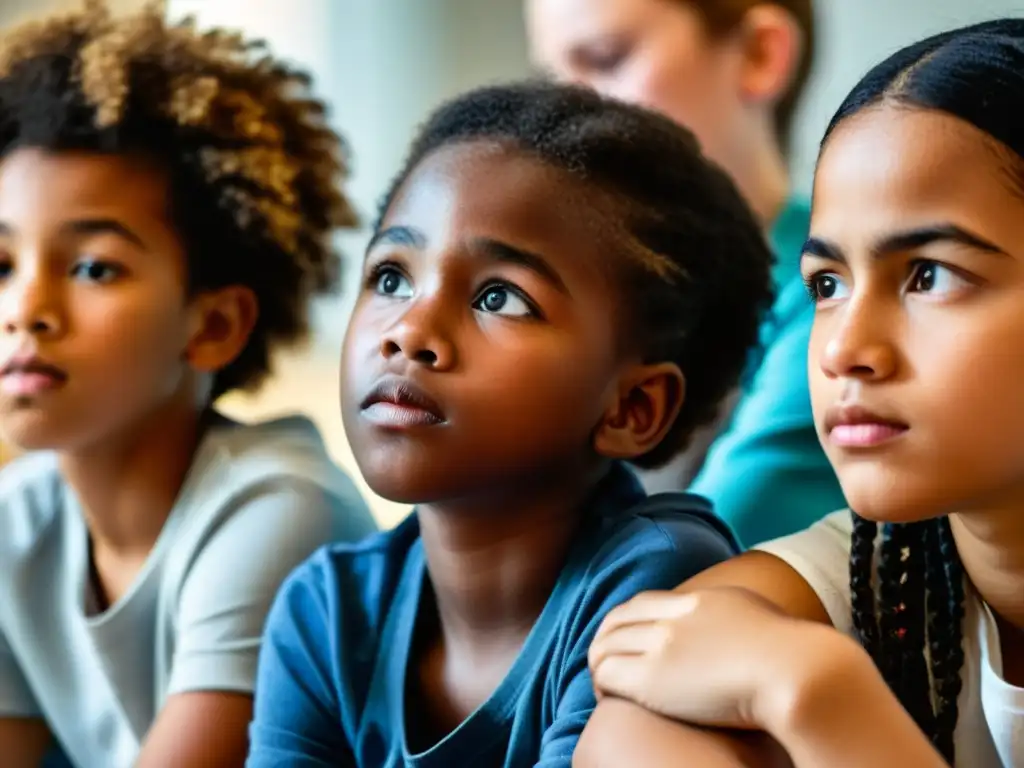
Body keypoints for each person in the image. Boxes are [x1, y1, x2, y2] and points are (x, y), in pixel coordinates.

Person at [245, 80, 775, 767]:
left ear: (631, 409)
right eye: (391, 278)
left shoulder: (658, 583)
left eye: (499, 297)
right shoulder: (327, 611)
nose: (409, 332)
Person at [576, 18, 1024, 767]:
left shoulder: (809, 664)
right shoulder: (879, 574)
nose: (847, 349)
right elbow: (631, 732)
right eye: (828, 284)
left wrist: (820, 696)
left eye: (929, 275)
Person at [0, 2, 376, 767]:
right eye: (1, 266)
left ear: (213, 326)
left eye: (93, 267)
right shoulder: (18, 522)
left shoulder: (279, 513)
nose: (25, 312)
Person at [527, 0, 844, 546]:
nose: (562, 117)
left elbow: (677, 568)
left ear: (760, 54)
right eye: (553, 81)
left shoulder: (835, 311)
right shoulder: (585, 311)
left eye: (605, 59)